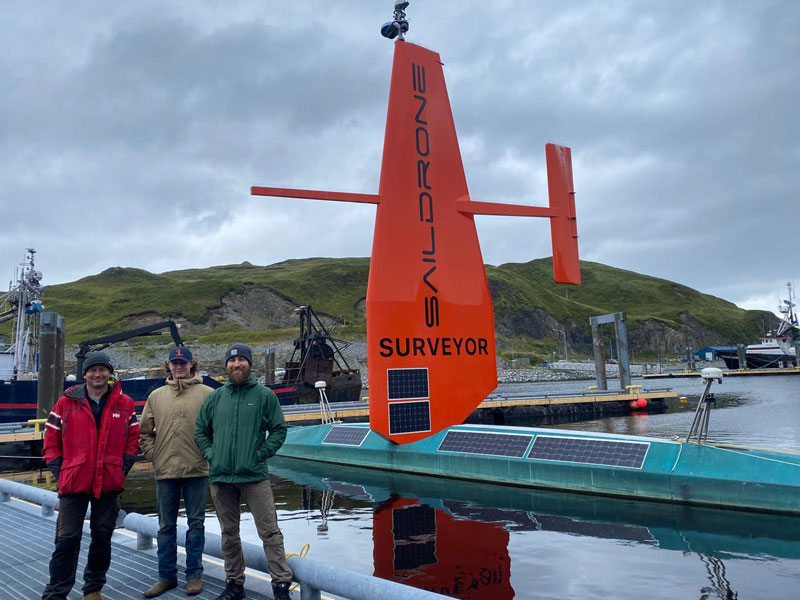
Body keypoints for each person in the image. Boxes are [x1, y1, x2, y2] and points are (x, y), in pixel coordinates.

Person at [195, 343, 293, 600]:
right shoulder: (215, 398)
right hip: (221, 477)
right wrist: (212, 455)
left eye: (241, 360)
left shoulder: (264, 396)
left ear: (250, 364)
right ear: (226, 365)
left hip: (254, 476)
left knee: (270, 531)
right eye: (232, 360)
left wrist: (259, 454)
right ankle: (234, 584)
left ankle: (281, 585)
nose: (236, 364)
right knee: (229, 534)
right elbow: (200, 432)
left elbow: (279, 430)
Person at [42, 351, 139, 600]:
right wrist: (61, 472)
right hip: (73, 483)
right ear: (84, 374)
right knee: (66, 541)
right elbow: (51, 441)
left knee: (102, 538)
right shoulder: (66, 402)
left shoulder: (125, 404)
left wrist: (121, 469)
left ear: (110, 373)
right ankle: (56, 593)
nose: (97, 374)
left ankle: (93, 589)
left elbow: (132, 441)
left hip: (108, 484)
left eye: (102, 369)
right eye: (92, 370)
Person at [139, 346, 214, 597]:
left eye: (183, 362)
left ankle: (194, 574)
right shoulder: (156, 396)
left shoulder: (208, 394)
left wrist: (210, 455)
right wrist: (155, 456)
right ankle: (166, 576)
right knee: (165, 526)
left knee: (196, 524)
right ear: (168, 366)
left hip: (197, 470)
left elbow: (218, 430)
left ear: (192, 364)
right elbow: (144, 433)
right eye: (175, 362)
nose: (179, 366)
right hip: (165, 471)